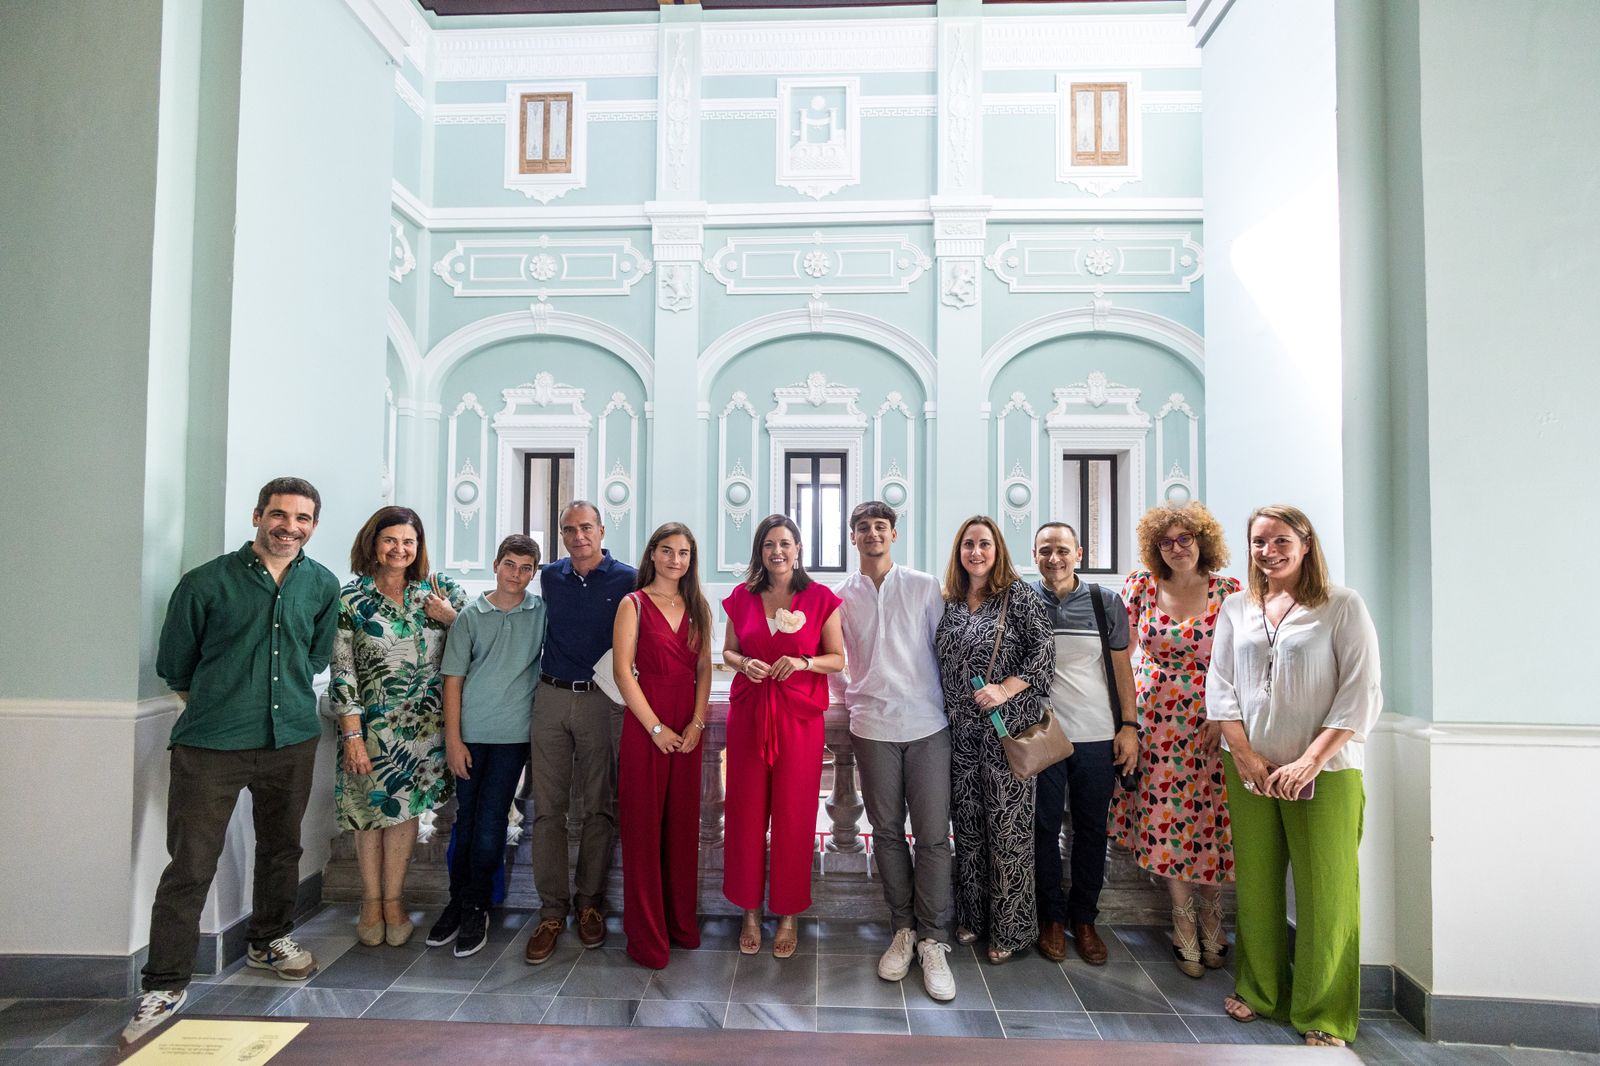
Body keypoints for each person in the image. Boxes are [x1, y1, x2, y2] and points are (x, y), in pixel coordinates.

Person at [124, 478, 340, 1046]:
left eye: (302, 518)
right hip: (212, 744)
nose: (289, 527)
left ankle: (269, 939)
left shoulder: (321, 585)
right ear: (257, 517)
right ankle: (165, 983)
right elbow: (177, 663)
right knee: (191, 863)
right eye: (279, 515)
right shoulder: (205, 583)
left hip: (291, 736)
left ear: (314, 524)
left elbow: (315, 655)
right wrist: (224, 701)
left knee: (281, 847)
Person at [1207, 505, 1381, 1048]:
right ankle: (1260, 990)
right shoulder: (1237, 606)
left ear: (1306, 543)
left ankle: (1324, 1012)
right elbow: (1221, 685)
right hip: (1252, 769)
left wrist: (1310, 759)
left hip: (1324, 773)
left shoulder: (1341, 606)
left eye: (1281, 540)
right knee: (1257, 887)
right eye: (1259, 542)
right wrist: (1245, 756)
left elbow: (1361, 692)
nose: (1269, 551)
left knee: (1327, 892)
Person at [832, 502, 956, 1001]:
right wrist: (854, 695)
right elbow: (837, 660)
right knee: (884, 833)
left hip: (927, 723)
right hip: (871, 726)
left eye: (880, 527)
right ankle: (902, 931)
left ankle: (934, 940)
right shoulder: (842, 596)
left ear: (894, 534)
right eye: (863, 528)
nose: (872, 534)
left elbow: (943, 650)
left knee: (931, 838)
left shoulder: (925, 586)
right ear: (853, 538)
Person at [1112, 502, 1240, 977]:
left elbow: (1239, 663)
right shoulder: (1141, 587)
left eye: (1186, 538)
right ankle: (1182, 919)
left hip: (1211, 722)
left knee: (1212, 816)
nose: (1177, 548)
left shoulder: (1229, 592)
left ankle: (1213, 912)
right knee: (1166, 818)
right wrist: (1128, 722)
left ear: (1203, 540)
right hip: (1154, 721)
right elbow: (1122, 656)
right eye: (1166, 542)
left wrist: (1222, 716)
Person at [330, 506, 465, 947]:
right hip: (367, 729)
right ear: (373, 542)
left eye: (409, 541)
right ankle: (370, 903)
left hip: (423, 731)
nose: (400, 549)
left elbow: (488, 635)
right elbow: (342, 671)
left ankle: (394, 902)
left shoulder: (438, 589)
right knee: (369, 814)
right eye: (391, 540)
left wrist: (451, 618)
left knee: (404, 814)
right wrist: (352, 735)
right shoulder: (351, 599)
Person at [721, 513, 844, 958]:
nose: (778, 551)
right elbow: (729, 649)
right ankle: (749, 911)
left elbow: (837, 658)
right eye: (770, 544)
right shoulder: (742, 597)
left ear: (798, 550)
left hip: (799, 719)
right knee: (745, 814)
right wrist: (742, 663)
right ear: (761, 550)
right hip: (751, 715)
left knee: (794, 817)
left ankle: (788, 912)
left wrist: (804, 663)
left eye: (786, 543)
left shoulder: (820, 598)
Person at [935, 515, 1054, 965]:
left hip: (1007, 733)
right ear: (958, 551)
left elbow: (1044, 655)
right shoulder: (948, 601)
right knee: (966, 828)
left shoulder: (1017, 595)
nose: (976, 552)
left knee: (1008, 831)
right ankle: (973, 916)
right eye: (968, 544)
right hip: (960, 734)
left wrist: (1005, 688)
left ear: (997, 548)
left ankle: (1012, 927)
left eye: (984, 544)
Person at [524, 501, 637, 964]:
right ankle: (552, 910)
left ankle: (589, 903)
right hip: (550, 698)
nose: (578, 536)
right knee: (547, 810)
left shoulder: (629, 578)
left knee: (599, 807)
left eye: (585, 527)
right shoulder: (550, 576)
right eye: (569, 529)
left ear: (601, 529)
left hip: (602, 700)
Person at [426, 535, 547, 958]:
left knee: (492, 822)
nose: (516, 574)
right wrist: (454, 740)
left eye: (526, 568)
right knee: (466, 820)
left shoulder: (540, 613)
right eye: (509, 565)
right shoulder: (470, 617)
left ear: (534, 573)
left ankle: (477, 905)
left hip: (513, 736)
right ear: (496, 565)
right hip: (471, 735)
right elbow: (453, 679)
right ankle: (456, 901)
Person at [1029, 523, 1138, 965]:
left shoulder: (1104, 601)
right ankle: (1051, 918)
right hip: (1043, 736)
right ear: (1033, 555)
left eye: (1061, 550)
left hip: (1096, 735)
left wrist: (1129, 726)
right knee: (1043, 829)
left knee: (1093, 830)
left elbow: (1122, 669)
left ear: (1079, 552)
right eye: (1044, 551)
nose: (1053, 558)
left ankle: (1085, 920)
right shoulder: (1022, 600)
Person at [612, 522, 713, 969]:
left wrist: (696, 722)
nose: (676, 560)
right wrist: (656, 729)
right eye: (667, 551)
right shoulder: (632, 604)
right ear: (652, 554)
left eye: (684, 553)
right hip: (645, 728)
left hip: (687, 730)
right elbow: (621, 673)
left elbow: (705, 669)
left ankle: (679, 925)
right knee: (642, 833)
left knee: (681, 831)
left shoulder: (697, 606)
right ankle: (648, 937)